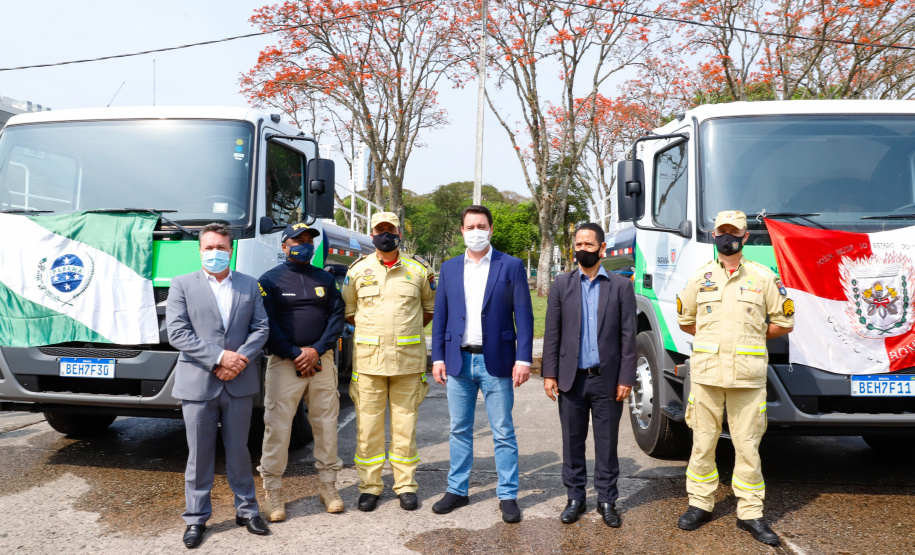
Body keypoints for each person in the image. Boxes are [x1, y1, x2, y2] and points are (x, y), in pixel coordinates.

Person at [676, 210, 794, 546]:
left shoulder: (764, 277)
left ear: (745, 236)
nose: (728, 237)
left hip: (747, 377)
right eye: (722, 232)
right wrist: (715, 340)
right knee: (702, 443)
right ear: (715, 236)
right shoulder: (699, 278)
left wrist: (751, 338)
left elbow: (784, 322)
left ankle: (750, 512)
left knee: (748, 446)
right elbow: (686, 320)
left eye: (735, 232)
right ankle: (700, 504)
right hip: (707, 376)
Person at [166, 222, 271, 549]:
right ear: (200, 251)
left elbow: (261, 328)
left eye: (221, 247)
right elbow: (178, 333)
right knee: (199, 455)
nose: (215, 253)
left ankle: (247, 511)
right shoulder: (182, 284)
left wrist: (238, 360)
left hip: (239, 381)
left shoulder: (249, 284)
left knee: (240, 450)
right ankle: (196, 518)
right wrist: (219, 358)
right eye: (209, 248)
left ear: (231, 250)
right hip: (198, 383)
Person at [430, 205, 534, 523]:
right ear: (462, 231)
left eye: (482, 225)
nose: (476, 231)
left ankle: (507, 495)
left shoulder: (511, 265)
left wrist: (523, 358)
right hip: (458, 360)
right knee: (459, 429)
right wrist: (437, 356)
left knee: (502, 431)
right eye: (470, 226)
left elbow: (524, 316)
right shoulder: (449, 268)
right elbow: (441, 316)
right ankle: (457, 490)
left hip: (497, 360)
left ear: (491, 229)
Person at [541, 222, 636, 527]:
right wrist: (549, 374)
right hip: (572, 379)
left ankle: (607, 500)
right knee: (572, 442)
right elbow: (552, 333)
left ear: (602, 248)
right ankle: (575, 498)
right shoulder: (561, 284)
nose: (583, 249)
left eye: (589, 245)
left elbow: (628, 338)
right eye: (579, 245)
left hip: (607, 380)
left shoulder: (621, 286)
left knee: (606, 443)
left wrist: (626, 378)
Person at [341, 212, 435, 512]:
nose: (385, 235)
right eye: (379, 230)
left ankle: (405, 486)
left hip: (408, 363)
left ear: (399, 233)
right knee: (367, 429)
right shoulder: (358, 270)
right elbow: (350, 312)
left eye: (390, 230)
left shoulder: (419, 270)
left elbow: (428, 310)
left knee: (405, 429)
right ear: (372, 235)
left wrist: (402, 333)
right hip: (369, 364)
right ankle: (369, 487)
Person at [257, 222, 346, 520]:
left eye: (309, 240)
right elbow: (267, 324)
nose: (305, 245)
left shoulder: (325, 278)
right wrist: (296, 353)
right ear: (284, 246)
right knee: (277, 428)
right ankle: (273, 492)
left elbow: (336, 317)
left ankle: (328, 487)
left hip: (321, 361)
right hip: (285, 363)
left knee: (326, 425)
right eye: (298, 240)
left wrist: (316, 350)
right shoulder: (269, 280)